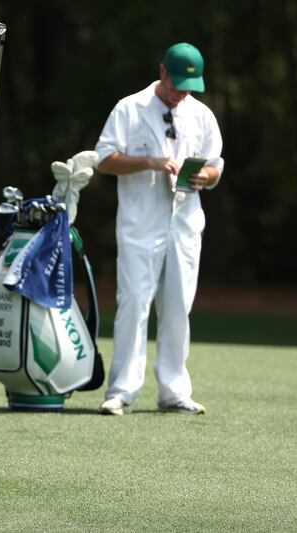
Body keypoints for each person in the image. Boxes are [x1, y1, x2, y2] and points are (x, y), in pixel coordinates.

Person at [94, 43, 224, 416]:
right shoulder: (130, 108)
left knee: (178, 307)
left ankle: (174, 390)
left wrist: (204, 176)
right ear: (162, 72)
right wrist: (150, 162)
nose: (181, 92)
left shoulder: (201, 114)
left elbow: (216, 165)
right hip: (140, 224)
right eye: (177, 84)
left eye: (189, 86)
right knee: (133, 304)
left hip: (183, 223)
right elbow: (104, 159)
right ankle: (121, 390)